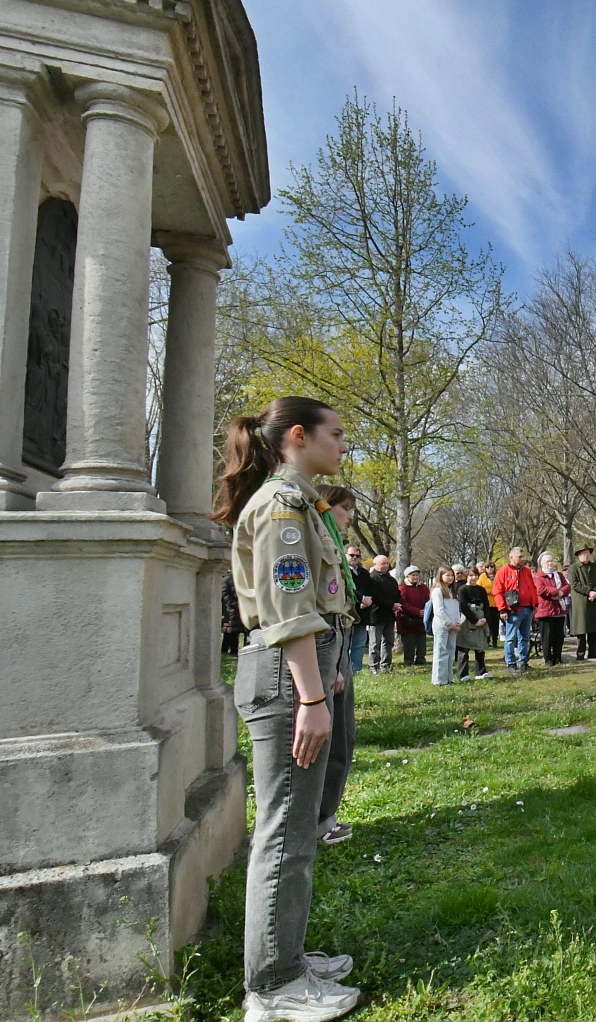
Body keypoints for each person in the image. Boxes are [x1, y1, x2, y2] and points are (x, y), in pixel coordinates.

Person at [213, 396, 360, 1020]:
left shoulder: (300, 504)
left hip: (303, 667)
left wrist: (329, 678)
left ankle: (288, 959)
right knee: (285, 835)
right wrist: (311, 696)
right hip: (286, 675)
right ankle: (272, 987)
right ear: (298, 437)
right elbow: (290, 609)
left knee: (300, 830)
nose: (344, 445)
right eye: (337, 433)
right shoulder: (281, 508)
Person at [314, 485, 362, 848]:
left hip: (339, 641)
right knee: (330, 742)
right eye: (345, 510)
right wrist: (331, 668)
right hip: (326, 648)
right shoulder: (313, 541)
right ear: (327, 508)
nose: (350, 517)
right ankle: (317, 820)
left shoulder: (330, 543)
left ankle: (326, 814)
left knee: (344, 736)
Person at [492, 548, 537, 675]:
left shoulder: (526, 571)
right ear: (511, 557)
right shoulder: (503, 572)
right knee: (510, 638)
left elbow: (532, 587)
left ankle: (523, 662)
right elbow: (497, 591)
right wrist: (502, 609)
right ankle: (510, 663)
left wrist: (535, 603)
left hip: (528, 608)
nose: (522, 559)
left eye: (523, 556)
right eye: (519, 556)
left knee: (524, 637)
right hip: (513, 610)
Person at [569, 545, 596, 661]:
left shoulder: (595, 567)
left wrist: (595, 591)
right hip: (581, 601)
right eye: (583, 553)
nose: (586, 555)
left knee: (594, 627)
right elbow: (574, 584)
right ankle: (580, 653)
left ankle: (593, 652)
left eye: (587, 553)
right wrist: (588, 592)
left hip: (595, 600)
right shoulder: (573, 568)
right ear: (579, 555)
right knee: (582, 627)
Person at [343, 540, 375, 677]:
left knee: (360, 643)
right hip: (347, 613)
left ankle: (356, 669)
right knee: (346, 645)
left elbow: (371, 589)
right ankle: (346, 670)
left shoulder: (364, 573)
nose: (355, 558)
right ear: (345, 555)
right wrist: (361, 598)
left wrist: (368, 600)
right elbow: (347, 589)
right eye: (351, 555)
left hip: (362, 613)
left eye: (357, 556)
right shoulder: (342, 571)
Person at [455, 564, 492, 680]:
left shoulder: (481, 590)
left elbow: (486, 604)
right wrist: (474, 620)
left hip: (481, 618)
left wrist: (485, 618)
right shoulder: (462, 589)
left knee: (480, 646)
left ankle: (480, 671)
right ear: (466, 576)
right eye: (470, 575)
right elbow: (462, 606)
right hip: (467, 619)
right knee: (463, 647)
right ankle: (463, 674)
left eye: (475, 575)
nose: (473, 578)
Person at [428, 567, 463, 686]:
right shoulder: (438, 591)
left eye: (452, 575)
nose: (450, 578)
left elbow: (455, 609)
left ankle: (448, 678)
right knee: (441, 651)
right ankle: (439, 679)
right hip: (442, 625)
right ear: (441, 576)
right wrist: (449, 624)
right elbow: (439, 611)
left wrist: (457, 623)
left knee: (450, 652)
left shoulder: (453, 591)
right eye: (447, 575)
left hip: (453, 625)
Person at [366, 555, 400, 673]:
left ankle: (385, 665)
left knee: (388, 642)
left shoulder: (391, 579)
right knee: (375, 643)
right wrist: (391, 605)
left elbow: (398, 593)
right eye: (382, 563)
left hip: (389, 616)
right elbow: (376, 598)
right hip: (376, 615)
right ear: (375, 564)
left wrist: (398, 604)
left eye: (387, 563)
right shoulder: (372, 579)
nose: (385, 565)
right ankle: (373, 666)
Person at [534, 552, 569, 665]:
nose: (550, 563)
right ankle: (548, 659)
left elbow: (567, 586)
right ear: (542, 563)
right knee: (547, 637)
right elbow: (541, 590)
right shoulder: (539, 576)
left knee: (559, 636)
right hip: (546, 610)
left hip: (559, 608)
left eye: (551, 561)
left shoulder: (559, 575)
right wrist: (556, 591)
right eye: (547, 561)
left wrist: (560, 593)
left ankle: (558, 657)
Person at [396, 565, 429, 666]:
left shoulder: (423, 587)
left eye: (417, 575)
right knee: (409, 643)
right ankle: (408, 662)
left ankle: (420, 660)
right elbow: (404, 603)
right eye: (413, 575)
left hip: (421, 619)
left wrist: (425, 611)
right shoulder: (402, 588)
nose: (415, 577)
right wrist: (417, 611)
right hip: (407, 619)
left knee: (421, 642)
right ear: (407, 576)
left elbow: (428, 600)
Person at [221, 570, 246, 657]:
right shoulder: (227, 579)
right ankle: (228, 651)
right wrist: (235, 604)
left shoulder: (242, 577)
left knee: (239, 630)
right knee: (231, 632)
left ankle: (237, 651)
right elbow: (225, 594)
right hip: (231, 610)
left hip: (241, 608)